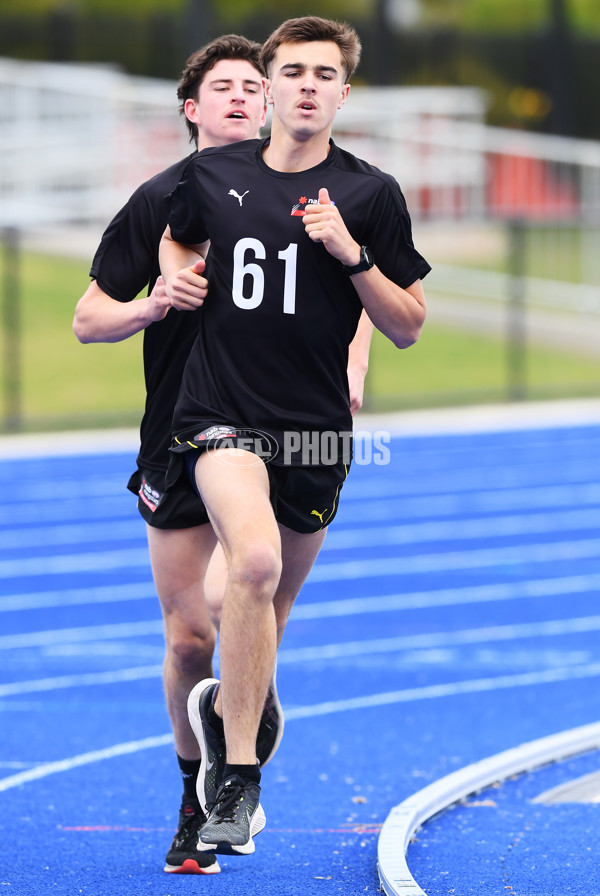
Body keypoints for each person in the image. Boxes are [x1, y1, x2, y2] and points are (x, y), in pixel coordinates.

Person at [159, 15, 431, 858]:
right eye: (292, 71)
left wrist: (353, 257)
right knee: (253, 562)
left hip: (313, 436)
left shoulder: (371, 193)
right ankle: (236, 783)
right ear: (267, 85)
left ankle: (238, 700)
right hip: (219, 417)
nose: (307, 84)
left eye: (325, 73)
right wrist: (172, 272)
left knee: (266, 608)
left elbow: (410, 325)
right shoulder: (210, 176)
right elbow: (173, 236)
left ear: (343, 94)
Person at [72, 35, 272, 876]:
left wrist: (352, 368)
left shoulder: (307, 193)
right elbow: (88, 319)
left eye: (253, 87)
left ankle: (244, 735)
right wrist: (153, 303)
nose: (241, 98)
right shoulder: (157, 201)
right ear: (191, 108)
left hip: (269, 427)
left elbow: (358, 293)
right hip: (174, 431)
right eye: (222, 87)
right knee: (190, 635)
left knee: (243, 584)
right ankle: (197, 795)